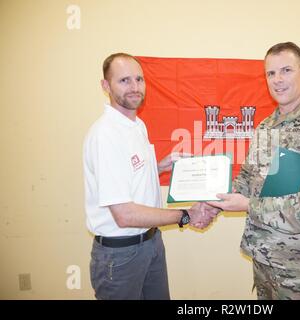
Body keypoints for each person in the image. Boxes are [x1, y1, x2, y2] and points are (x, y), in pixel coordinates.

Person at [207, 42, 300, 299]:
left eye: (286, 70)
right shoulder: (266, 127)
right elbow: (248, 180)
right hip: (263, 258)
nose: (277, 80)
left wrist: (249, 205)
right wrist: (212, 202)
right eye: (270, 73)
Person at [83, 53, 219, 300]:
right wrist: (187, 215)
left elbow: (129, 178)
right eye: (124, 80)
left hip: (151, 243)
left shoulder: (137, 125)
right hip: (121, 257)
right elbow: (124, 215)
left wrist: (162, 166)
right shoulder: (106, 134)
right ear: (105, 86)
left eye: (139, 79)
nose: (135, 87)